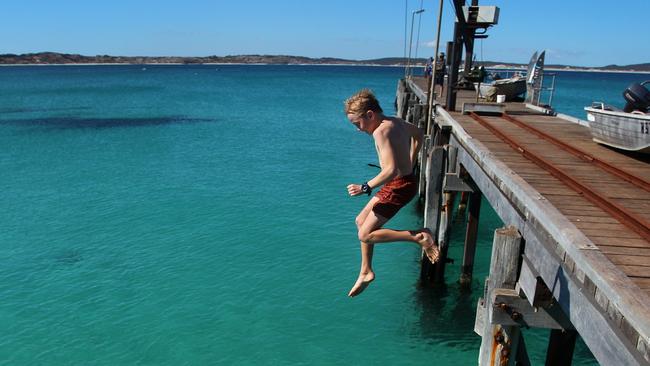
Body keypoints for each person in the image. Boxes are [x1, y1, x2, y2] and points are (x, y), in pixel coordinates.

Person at [343, 89, 440, 297]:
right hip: (401, 183)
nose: (358, 130)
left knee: (365, 234)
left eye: (357, 124)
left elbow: (390, 170)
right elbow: (419, 134)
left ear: (370, 115)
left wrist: (365, 187)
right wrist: (411, 161)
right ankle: (366, 270)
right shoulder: (396, 121)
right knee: (361, 221)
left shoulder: (380, 132)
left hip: (399, 186)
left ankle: (419, 236)